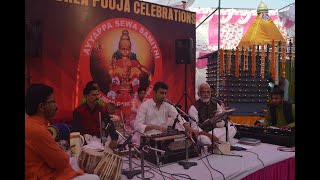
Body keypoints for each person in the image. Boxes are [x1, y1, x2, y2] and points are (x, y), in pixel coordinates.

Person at [25, 83, 99, 180]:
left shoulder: (31, 123)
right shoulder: (37, 130)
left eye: (97, 95)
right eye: (53, 102)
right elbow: (61, 162)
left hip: (46, 169)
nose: (56, 105)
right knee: (95, 178)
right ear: (42, 107)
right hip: (44, 175)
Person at [107, 29, 151, 99]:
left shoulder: (133, 61)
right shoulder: (117, 59)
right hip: (118, 82)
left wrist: (149, 73)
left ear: (130, 50)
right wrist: (112, 69)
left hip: (131, 82)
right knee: (117, 71)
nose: (125, 51)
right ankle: (113, 91)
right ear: (119, 49)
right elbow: (111, 68)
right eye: (123, 49)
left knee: (135, 69)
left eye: (127, 49)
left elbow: (140, 67)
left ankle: (136, 91)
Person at [72, 85, 119, 149]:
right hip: (85, 142)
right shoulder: (79, 111)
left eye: (97, 95)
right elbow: (77, 131)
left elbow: (110, 124)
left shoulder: (102, 109)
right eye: (94, 95)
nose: (97, 97)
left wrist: (114, 138)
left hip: (99, 140)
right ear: (86, 96)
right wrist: (85, 143)